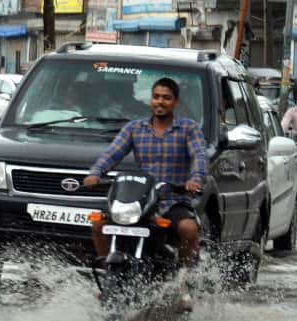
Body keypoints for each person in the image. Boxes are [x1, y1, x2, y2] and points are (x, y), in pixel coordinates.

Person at [82, 77, 206, 305]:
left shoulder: (188, 129)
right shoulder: (135, 128)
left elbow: (199, 156)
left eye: (166, 98)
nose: (160, 102)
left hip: (172, 199)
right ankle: (108, 275)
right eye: (156, 97)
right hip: (140, 200)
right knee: (99, 224)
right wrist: (96, 173)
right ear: (151, 100)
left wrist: (195, 179)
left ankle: (184, 280)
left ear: (175, 102)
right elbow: (112, 153)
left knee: (188, 229)